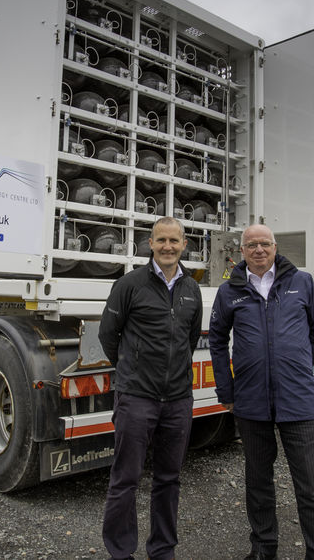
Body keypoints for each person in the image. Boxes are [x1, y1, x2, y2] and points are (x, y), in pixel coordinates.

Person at [208, 224, 314, 560]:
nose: (259, 250)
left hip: (297, 400)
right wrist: (227, 389)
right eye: (251, 245)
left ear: (275, 247)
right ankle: (264, 549)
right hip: (250, 401)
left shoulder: (302, 283)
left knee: (310, 484)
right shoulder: (230, 291)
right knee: (258, 481)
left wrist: (297, 364)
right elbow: (218, 342)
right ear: (242, 251)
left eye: (265, 243)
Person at [98, 216, 204, 560]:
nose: (168, 247)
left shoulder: (191, 288)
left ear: (184, 244)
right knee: (125, 479)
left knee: (169, 479)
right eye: (161, 241)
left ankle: (162, 550)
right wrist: (133, 368)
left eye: (174, 241)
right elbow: (108, 335)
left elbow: (189, 339)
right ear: (150, 243)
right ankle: (120, 551)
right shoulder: (130, 284)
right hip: (137, 398)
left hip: (176, 400)